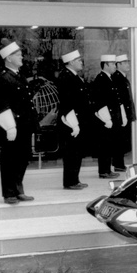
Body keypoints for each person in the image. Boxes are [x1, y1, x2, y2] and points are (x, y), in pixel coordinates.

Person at [0, 39, 38, 204]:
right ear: (8, 58)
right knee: (10, 159)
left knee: (22, 158)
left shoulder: (19, 76)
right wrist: (10, 126)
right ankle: (9, 193)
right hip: (12, 126)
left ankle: (18, 189)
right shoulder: (3, 78)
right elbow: (2, 104)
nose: (22, 57)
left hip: (24, 125)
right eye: (18, 55)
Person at [56, 49, 91, 190]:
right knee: (71, 152)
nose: (81, 62)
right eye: (78, 60)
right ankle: (70, 182)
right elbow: (67, 103)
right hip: (70, 121)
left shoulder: (74, 76)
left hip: (77, 120)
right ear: (70, 62)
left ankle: (75, 179)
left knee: (77, 152)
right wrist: (74, 124)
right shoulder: (66, 77)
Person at [90, 54, 125, 178]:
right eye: (113, 64)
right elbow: (100, 101)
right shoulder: (101, 79)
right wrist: (107, 119)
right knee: (104, 145)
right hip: (105, 119)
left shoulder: (109, 78)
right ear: (105, 65)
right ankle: (104, 171)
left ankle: (107, 170)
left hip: (111, 117)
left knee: (109, 145)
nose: (115, 66)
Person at [112, 54, 136, 170]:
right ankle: (118, 164)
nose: (128, 65)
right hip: (121, 114)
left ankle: (119, 163)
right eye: (125, 62)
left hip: (125, 114)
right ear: (118, 65)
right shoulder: (117, 78)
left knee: (122, 139)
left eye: (128, 62)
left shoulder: (123, 77)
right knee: (119, 139)